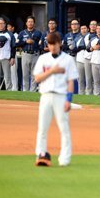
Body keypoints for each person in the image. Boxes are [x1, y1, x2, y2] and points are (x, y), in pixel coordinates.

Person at [33, 32, 79, 167]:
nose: (53, 47)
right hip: (45, 95)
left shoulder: (68, 59)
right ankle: (41, 154)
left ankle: (65, 158)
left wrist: (68, 100)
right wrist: (52, 71)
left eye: (55, 44)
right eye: (50, 44)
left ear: (60, 44)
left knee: (64, 128)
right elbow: (37, 78)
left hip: (61, 96)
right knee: (42, 128)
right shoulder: (43, 58)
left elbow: (71, 81)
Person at [17, 16, 42, 92]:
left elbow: (41, 45)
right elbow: (17, 44)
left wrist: (34, 43)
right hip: (25, 54)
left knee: (34, 75)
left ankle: (33, 91)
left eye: (32, 22)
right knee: (25, 75)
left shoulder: (38, 33)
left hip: (35, 54)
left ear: (34, 23)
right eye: (29, 21)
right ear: (26, 23)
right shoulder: (22, 33)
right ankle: (25, 91)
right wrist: (25, 42)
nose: (30, 23)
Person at [62, 19, 84, 94]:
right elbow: (63, 46)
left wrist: (75, 48)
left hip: (78, 56)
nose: (74, 25)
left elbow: (83, 46)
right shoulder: (67, 35)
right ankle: (66, 92)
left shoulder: (81, 35)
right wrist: (68, 46)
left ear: (78, 25)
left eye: (75, 24)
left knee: (79, 76)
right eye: (72, 24)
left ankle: (81, 93)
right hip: (69, 56)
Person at [83, 20, 98, 95]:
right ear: (89, 26)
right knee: (88, 78)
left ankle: (96, 93)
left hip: (96, 59)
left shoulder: (99, 35)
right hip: (88, 58)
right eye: (91, 24)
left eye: (95, 24)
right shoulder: (87, 36)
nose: (93, 26)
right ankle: (88, 93)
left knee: (96, 79)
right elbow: (88, 46)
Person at [7, 21, 19, 91]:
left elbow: (16, 44)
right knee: (7, 73)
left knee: (13, 72)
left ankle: (15, 89)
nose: (8, 28)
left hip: (13, 55)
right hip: (6, 55)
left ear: (13, 28)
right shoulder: (6, 35)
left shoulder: (16, 35)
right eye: (7, 27)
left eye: (9, 27)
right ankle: (8, 88)